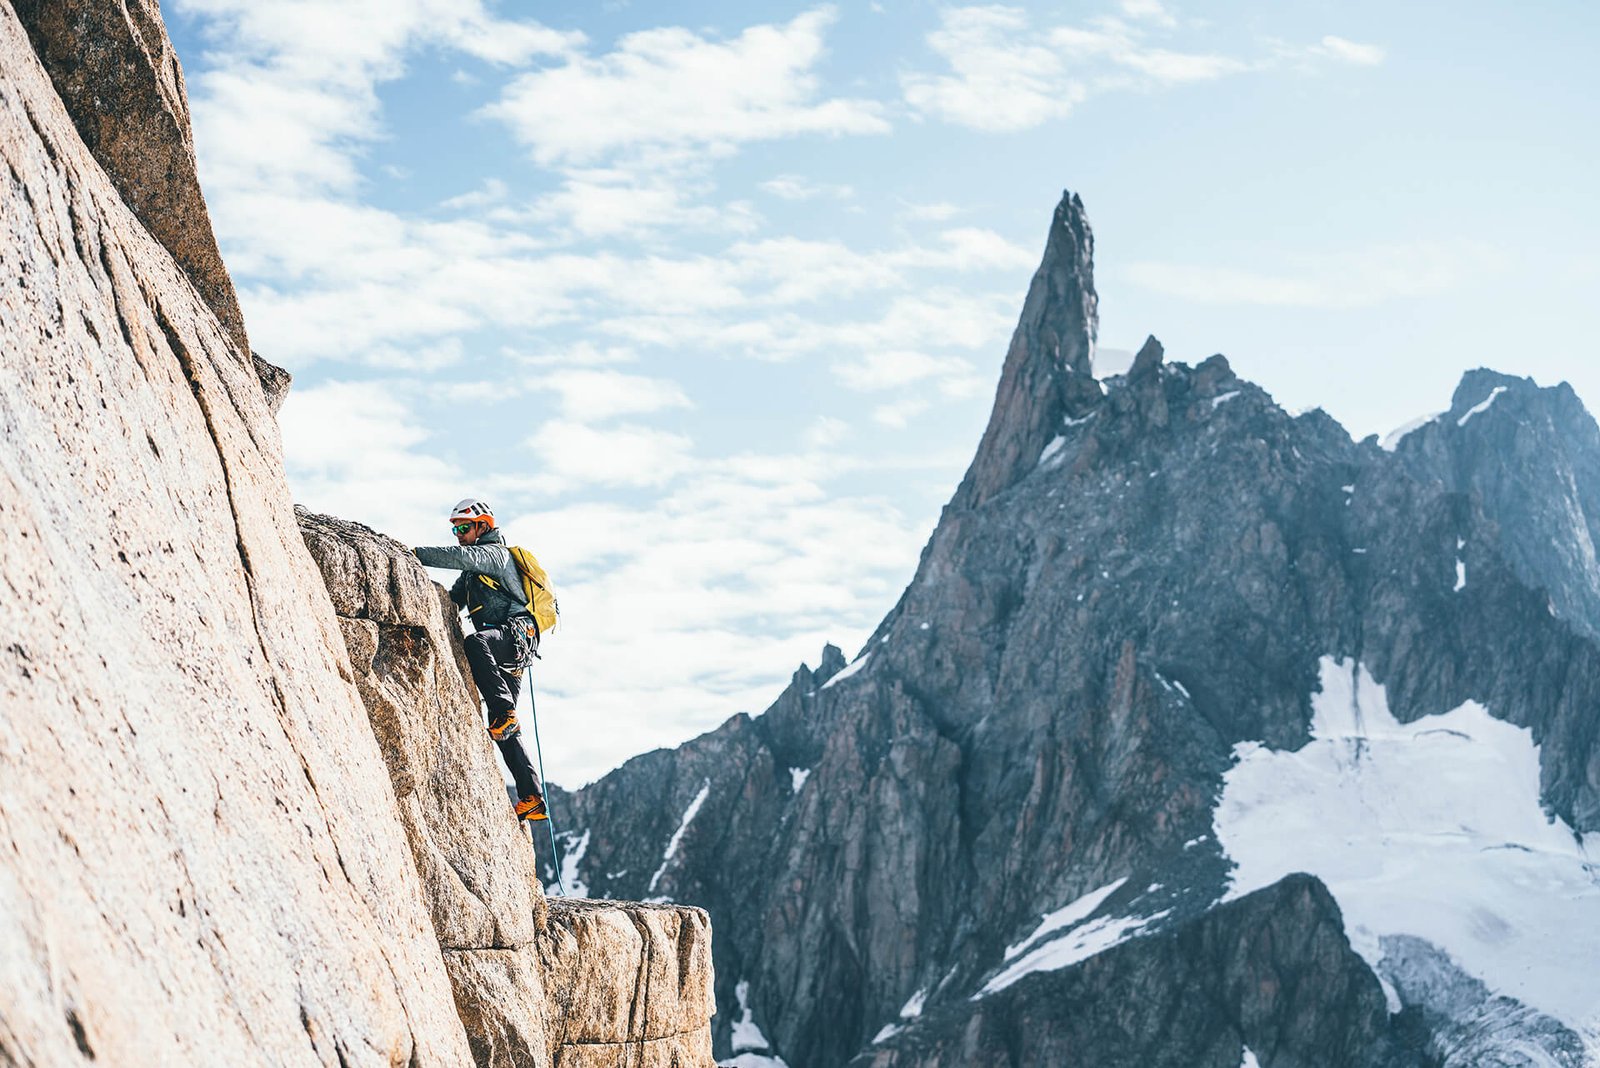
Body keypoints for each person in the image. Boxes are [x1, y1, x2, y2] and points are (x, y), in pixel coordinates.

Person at [414, 498, 547, 822]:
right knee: (502, 726)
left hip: (514, 634)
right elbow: (454, 599)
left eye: (463, 528)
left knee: (476, 646)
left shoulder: (494, 555)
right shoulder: (474, 574)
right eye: (455, 529)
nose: (458, 534)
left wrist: (412, 555)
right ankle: (532, 796)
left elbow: (461, 557)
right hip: (510, 645)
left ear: (482, 526)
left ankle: (505, 711)